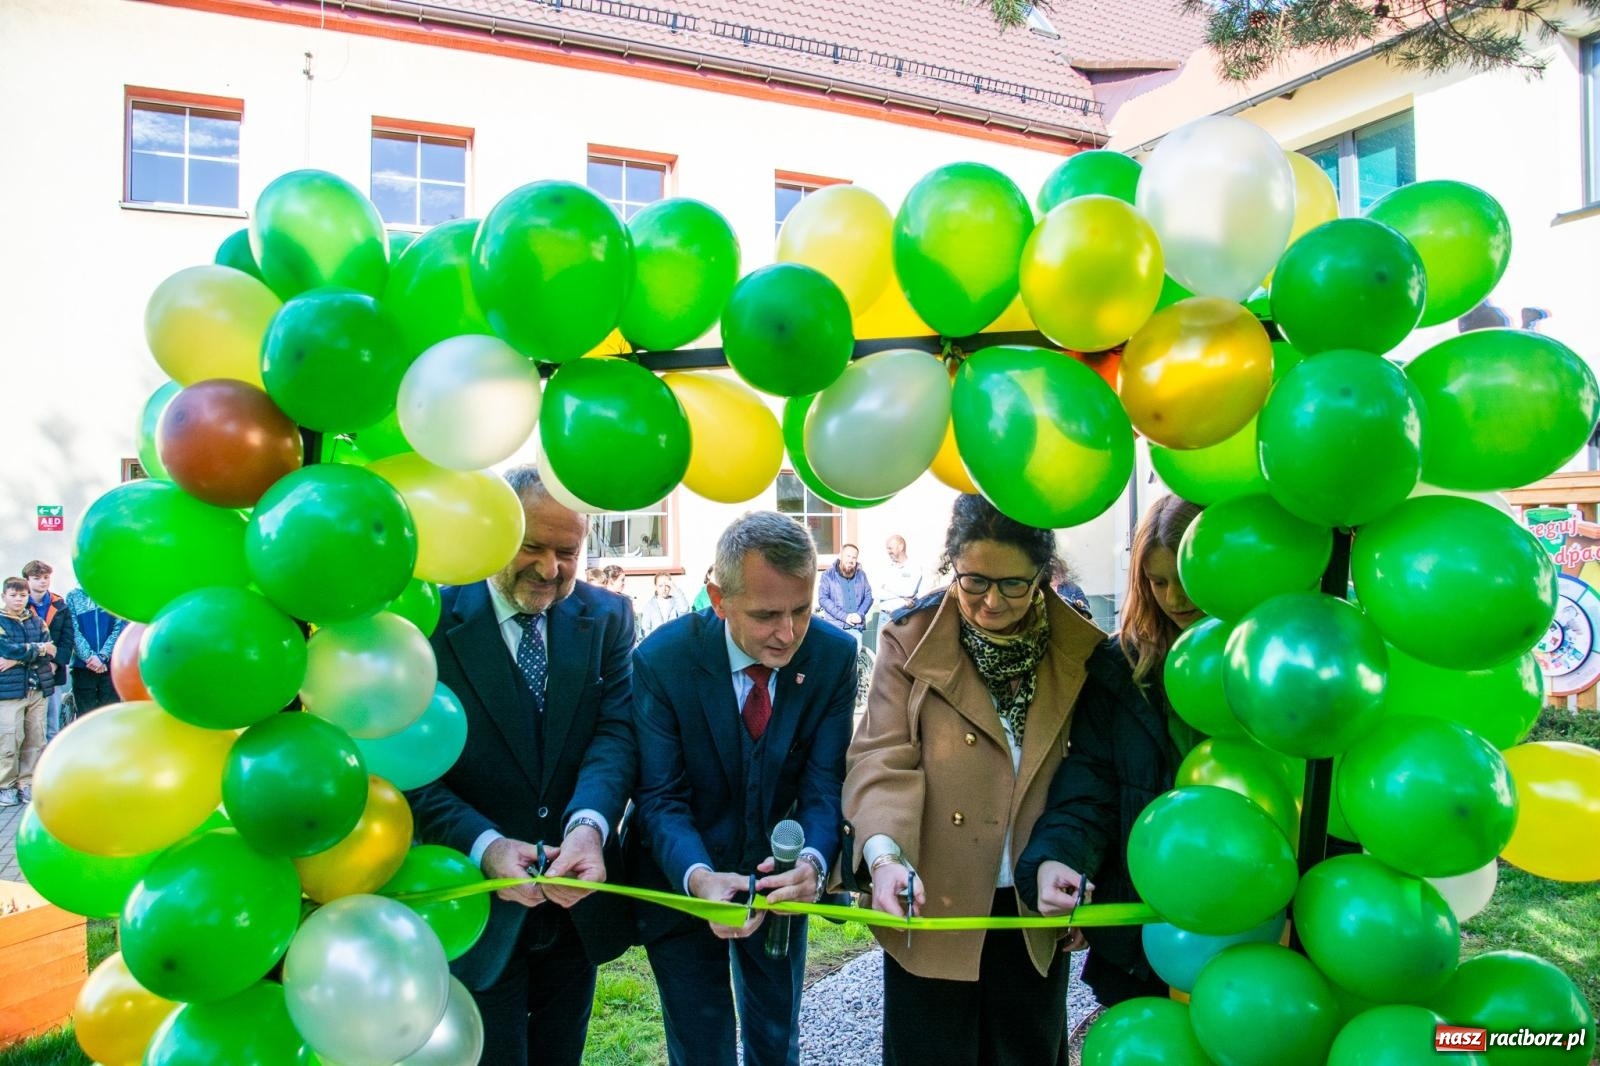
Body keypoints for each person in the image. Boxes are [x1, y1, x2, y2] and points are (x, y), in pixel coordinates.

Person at [842, 494, 1108, 1066]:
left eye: (1013, 584)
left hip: (1034, 904)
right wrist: (885, 858)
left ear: (1043, 574)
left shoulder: (1080, 649)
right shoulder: (908, 640)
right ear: (951, 565)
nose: (991, 600)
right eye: (974, 580)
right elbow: (882, 758)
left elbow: (1093, 777)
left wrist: (1086, 867)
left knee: (1026, 1050)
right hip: (933, 900)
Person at [406, 466, 637, 1066]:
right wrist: (483, 844)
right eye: (532, 546)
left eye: (568, 551)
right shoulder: (427, 622)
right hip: (472, 906)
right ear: (492, 532)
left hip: (574, 910)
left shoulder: (609, 617)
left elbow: (614, 735)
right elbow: (406, 771)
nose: (551, 569)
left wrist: (588, 826)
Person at [633, 511, 857, 1066]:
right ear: (718, 597)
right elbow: (660, 797)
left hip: (782, 889)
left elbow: (825, 784)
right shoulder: (661, 661)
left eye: (801, 609)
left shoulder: (834, 657)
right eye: (766, 615)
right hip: (684, 884)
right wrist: (698, 877)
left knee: (777, 1042)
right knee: (700, 1046)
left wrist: (811, 861)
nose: (789, 632)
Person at [1016, 494, 1206, 1012]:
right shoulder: (1122, 666)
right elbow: (1091, 783)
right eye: (1157, 582)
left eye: (1185, 578)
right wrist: (1059, 856)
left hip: (1264, 926)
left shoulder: (1277, 669)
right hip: (1144, 940)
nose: (1174, 598)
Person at [0, 577, 56, 806]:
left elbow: (50, 649)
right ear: (4, 596)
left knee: (35, 737)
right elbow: (6, 648)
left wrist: (17, 659)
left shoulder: (37, 620)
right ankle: (6, 785)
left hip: (37, 688)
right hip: (10, 691)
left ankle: (27, 782)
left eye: (22, 595)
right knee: (10, 738)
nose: (18, 599)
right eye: (13, 595)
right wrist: (37, 650)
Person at [21, 562, 72, 742]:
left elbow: (67, 638)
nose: (43, 582)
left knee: (52, 724)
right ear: (27, 580)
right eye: (37, 578)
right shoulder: (20, 605)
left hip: (53, 672)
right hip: (27, 672)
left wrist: (55, 663)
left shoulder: (60, 604)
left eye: (46, 577)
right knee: (29, 726)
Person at [65, 586, 123, 716]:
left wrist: (103, 656)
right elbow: (73, 630)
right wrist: (89, 657)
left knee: (111, 715)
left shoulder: (115, 594)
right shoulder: (73, 596)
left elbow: (119, 629)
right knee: (85, 715)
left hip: (111, 667)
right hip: (83, 667)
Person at [867, 535, 923, 648]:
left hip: (904, 618)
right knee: (882, 656)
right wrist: (901, 597)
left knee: (902, 655)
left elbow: (909, 591)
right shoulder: (885, 567)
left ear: (901, 546)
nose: (888, 551)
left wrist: (887, 587)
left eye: (890, 548)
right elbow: (876, 592)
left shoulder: (914, 567)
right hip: (884, 617)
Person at [817, 544, 872, 639]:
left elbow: (868, 596)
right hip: (834, 628)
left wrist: (860, 614)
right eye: (848, 556)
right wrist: (845, 617)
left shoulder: (861, 575)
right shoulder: (828, 575)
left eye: (854, 557)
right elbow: (823, 599)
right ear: (840, 556)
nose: (851, 560)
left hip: (856, 628)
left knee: (854, 654)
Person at [639, 572, 690, 639]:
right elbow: (645, 628)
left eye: (667, 585)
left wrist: (674, 587)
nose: (664, 589)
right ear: (655, 587)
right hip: (656, 643)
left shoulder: (676, 602)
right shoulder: (649, 606)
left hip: (673, 640)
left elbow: (685, 609)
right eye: (660, 586)